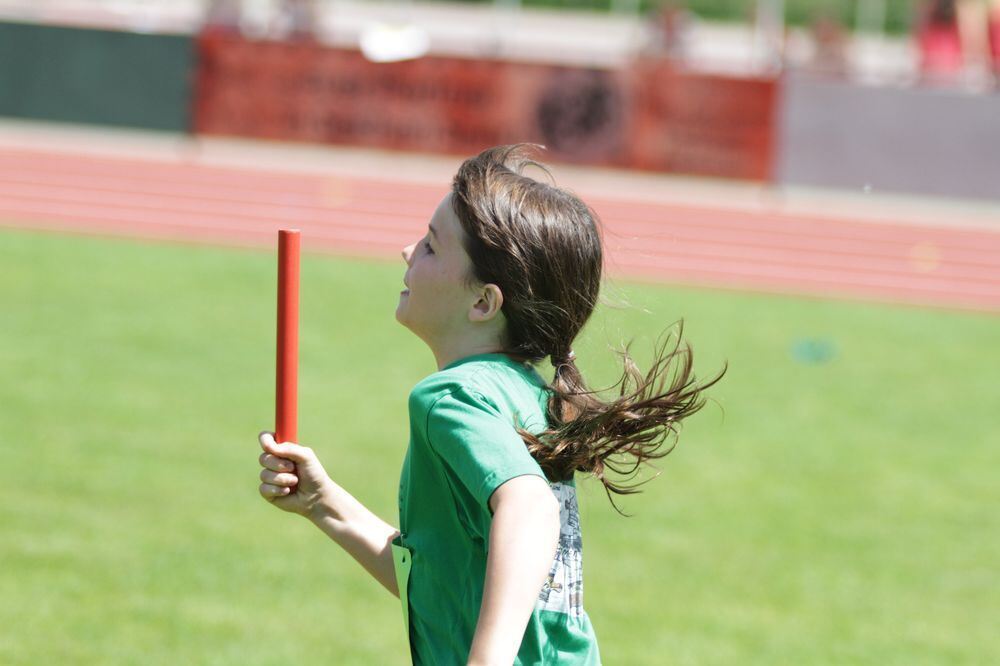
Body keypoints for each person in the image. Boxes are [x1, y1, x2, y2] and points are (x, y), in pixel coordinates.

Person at [256, 144, 723, 664]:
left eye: (431, 247)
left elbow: (531, 508)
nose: (408, 252)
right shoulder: (530, 393)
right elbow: (439, 586)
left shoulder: (450, 398)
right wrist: (323, 503)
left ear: (483, 301)